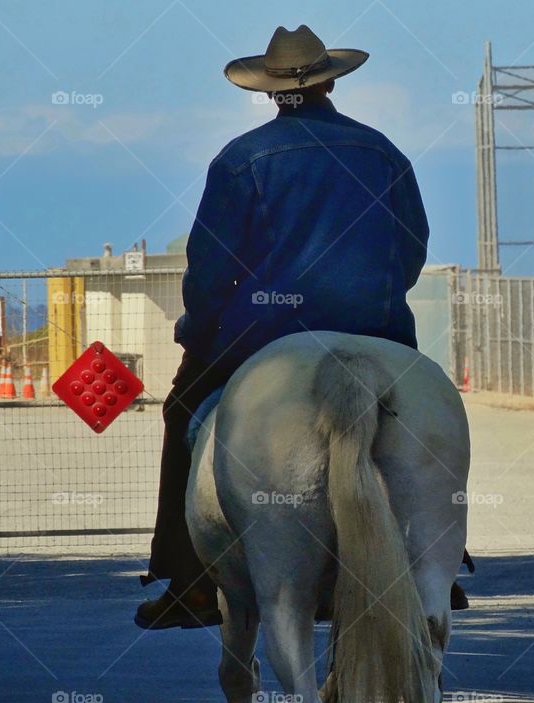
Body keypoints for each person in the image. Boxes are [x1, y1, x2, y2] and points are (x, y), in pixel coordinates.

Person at [134, 25, 464, 629]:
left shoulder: (240, 159)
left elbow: (212, 268)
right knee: (426, 417)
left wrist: (198, 330)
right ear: (331, 81)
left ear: (267, 93)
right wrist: (372, 300)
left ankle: (190, 581)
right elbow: (412, 247)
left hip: (261, 337)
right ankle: (442, 562)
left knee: (183, 408)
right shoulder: (383, 152)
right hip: (378, 332)